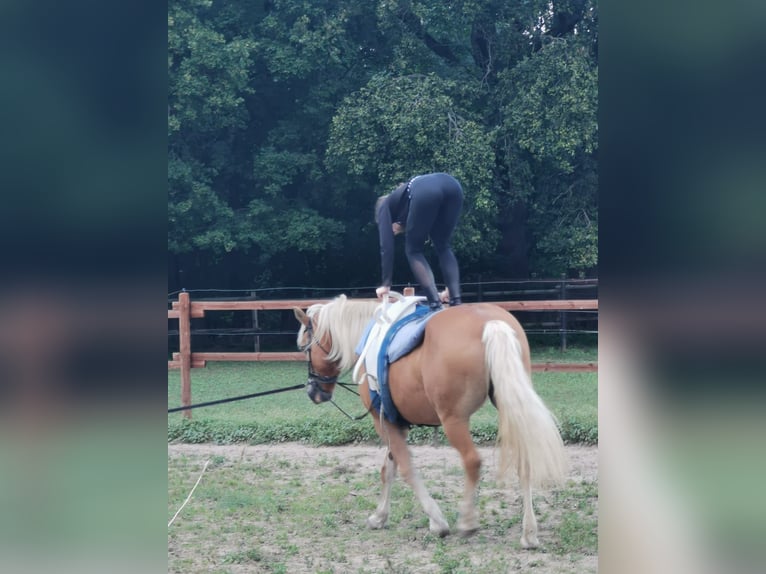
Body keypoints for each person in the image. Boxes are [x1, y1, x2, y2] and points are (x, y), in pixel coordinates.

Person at [374, 172, 464, 311]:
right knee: (443, 245)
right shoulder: (406, 199)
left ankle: (435, 303)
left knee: (413, 250)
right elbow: (418, 221)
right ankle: (455, 297)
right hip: (454, 186)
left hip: (427, 190)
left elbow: (386, 247)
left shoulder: (383, 205)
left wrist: (386, 284)